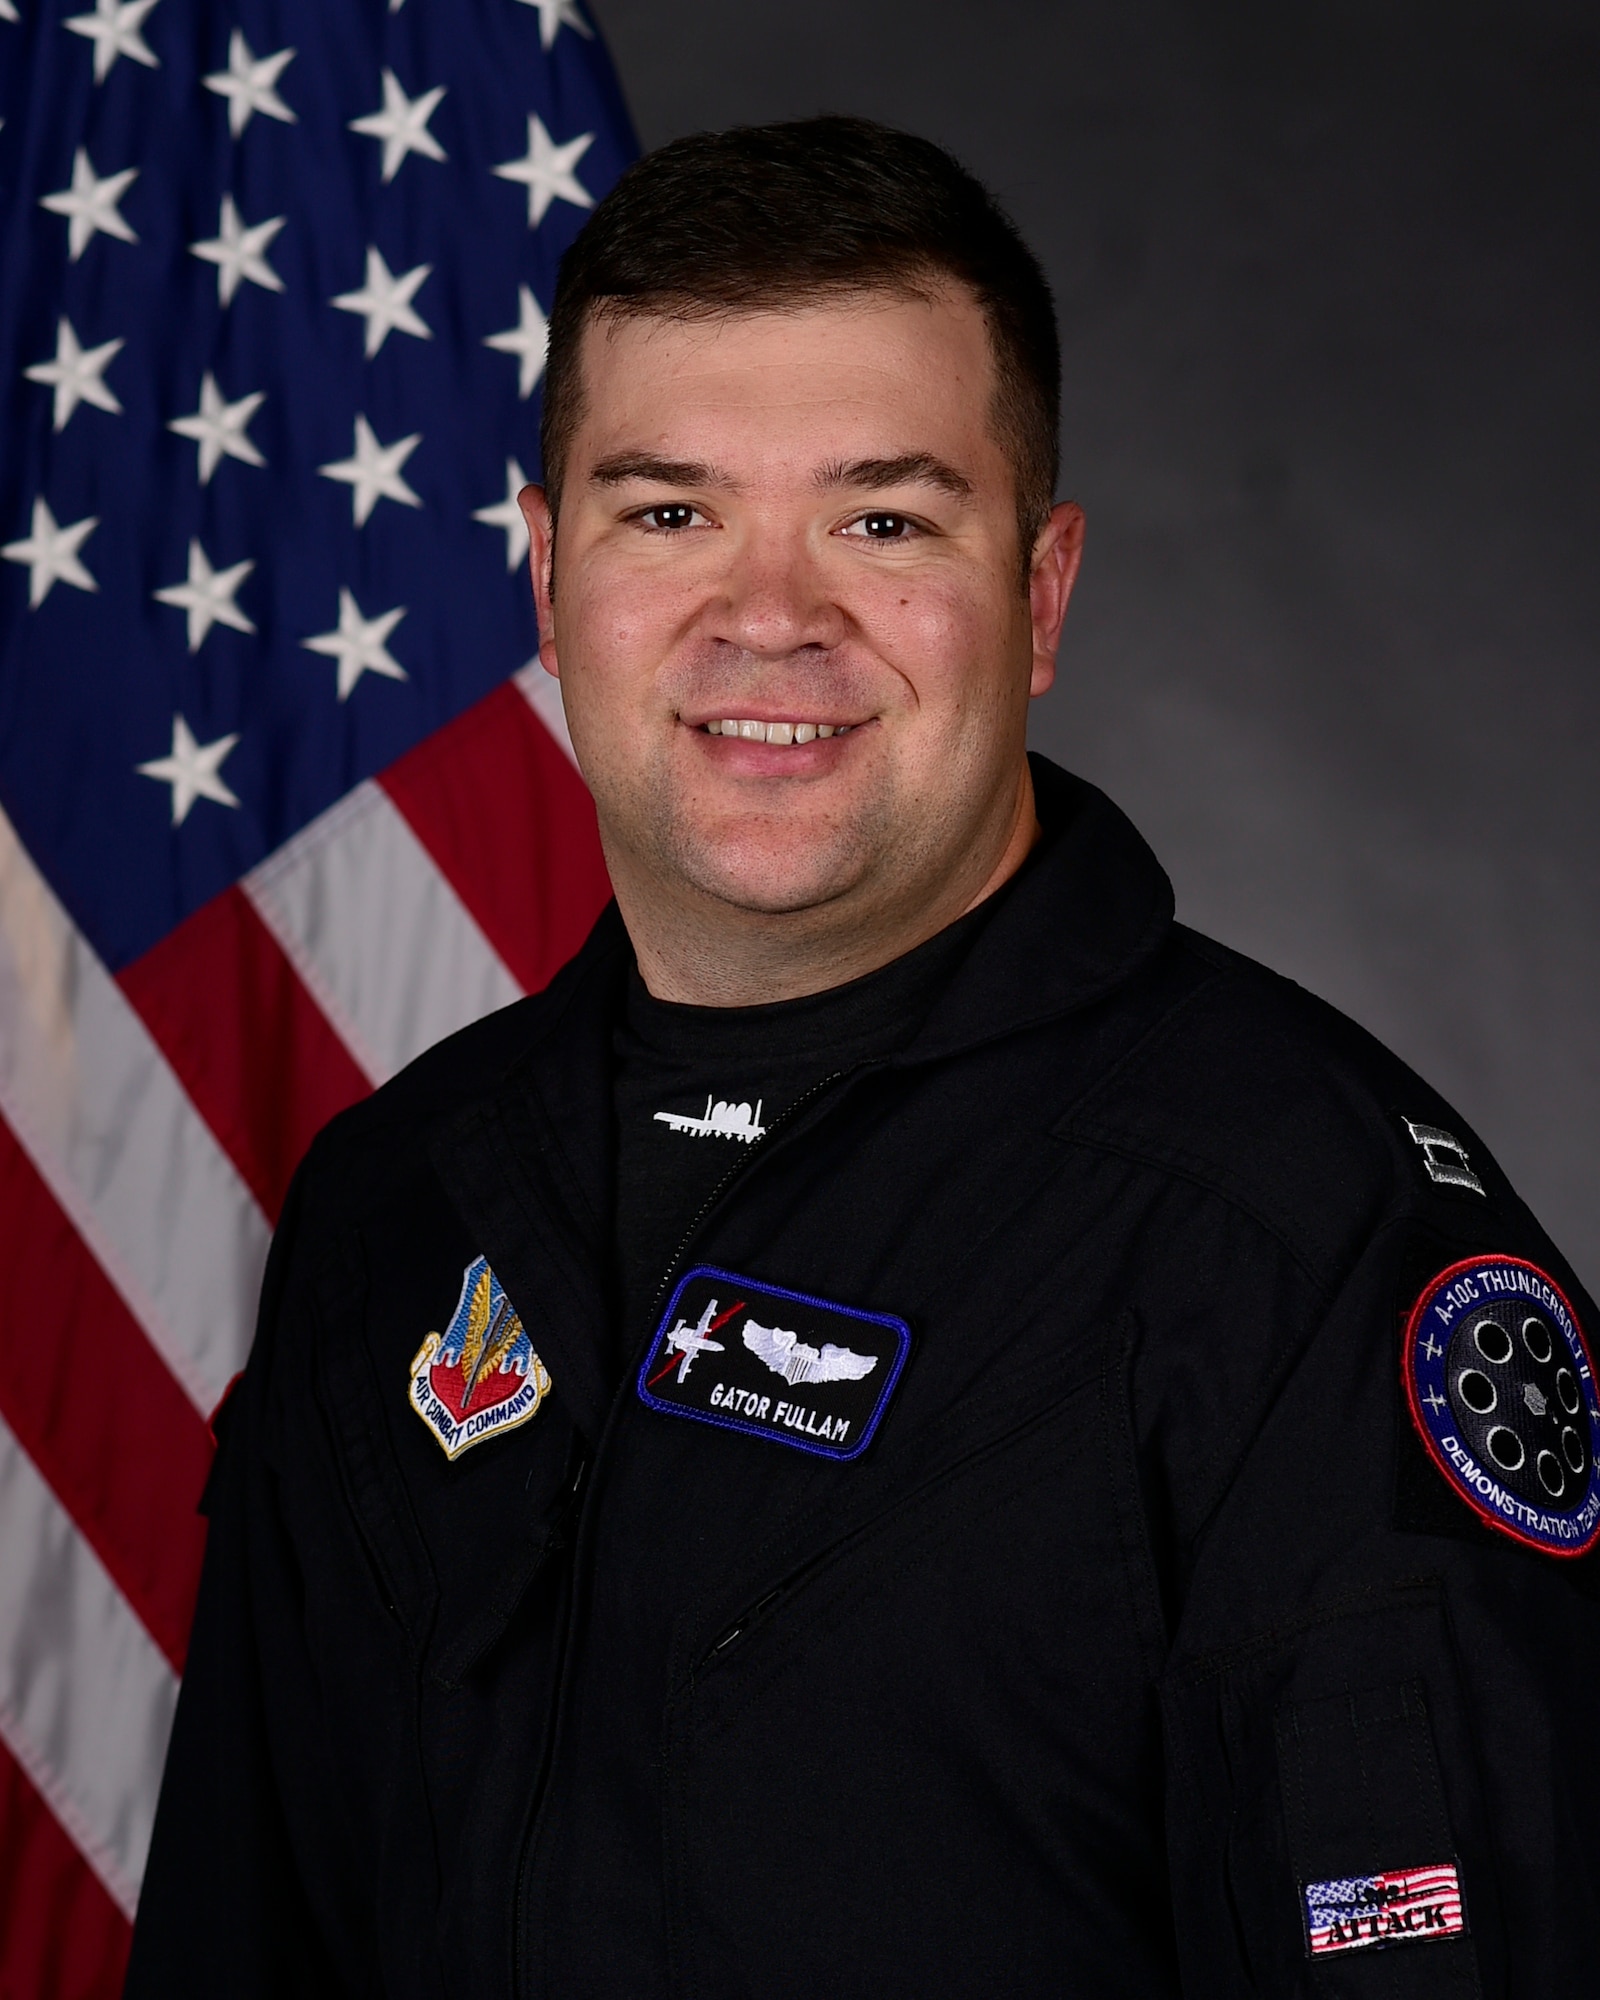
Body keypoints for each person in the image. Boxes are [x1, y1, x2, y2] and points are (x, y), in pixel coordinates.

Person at [126, 118, 1599, 1999]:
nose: (770, 615)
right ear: (546, 577)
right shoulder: (394, 1206)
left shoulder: (1301, 1243)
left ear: (1042, 594)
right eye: (669, 512)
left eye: (883, 520)